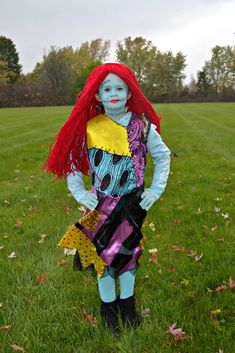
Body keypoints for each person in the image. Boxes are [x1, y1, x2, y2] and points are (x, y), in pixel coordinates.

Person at [42, 63, 170, 334]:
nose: (114, 93)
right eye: (107, 88)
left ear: (129, 92)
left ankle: (127, 303)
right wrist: (80, 193)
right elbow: (74, 164)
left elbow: (162, 156)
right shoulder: (90, 128)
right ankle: (108, 306)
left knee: (129, 255)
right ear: (97, 95)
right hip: (101, 206)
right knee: (103, 258)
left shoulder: (143, 126)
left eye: (120, 88)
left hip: (133, 205)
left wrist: (155, 190)